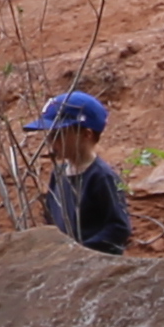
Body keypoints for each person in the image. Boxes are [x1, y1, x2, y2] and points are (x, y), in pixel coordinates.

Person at [32, 92, 132, 253]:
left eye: (59, 135)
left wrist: (81, 252)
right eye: (50, 135)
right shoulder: (58, 175)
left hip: (95, 267)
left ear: (87, 134)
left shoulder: (102, 177)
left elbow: (119, 227)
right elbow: (50, 219)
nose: (51, 142)